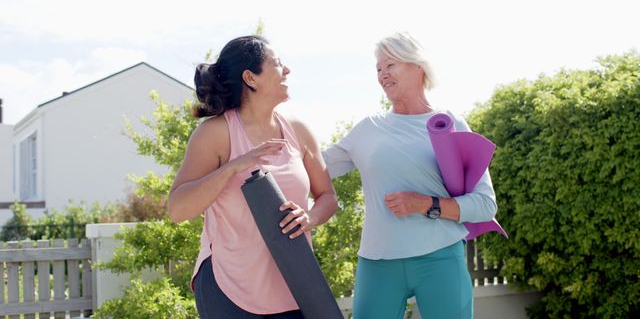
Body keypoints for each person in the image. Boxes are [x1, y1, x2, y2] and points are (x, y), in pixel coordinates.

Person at [323, 31, 497, 319]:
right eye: (378, 69)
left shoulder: (450, 124)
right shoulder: (368, 129)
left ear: (418, 66)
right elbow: (313, 167)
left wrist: (424, 204)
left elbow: (485, 205)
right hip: (378, 262)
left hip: (440, 257)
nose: (382, 74)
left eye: (390, 65)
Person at [168, 35, 338, 319]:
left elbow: (328, 197)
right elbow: (177, 209)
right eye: (278, 64)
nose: (287, 71)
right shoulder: (215, 133)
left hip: (294, 285)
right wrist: (234, 166)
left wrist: (311, 218)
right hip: (228, 287)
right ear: (251, 78)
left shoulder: (299, 130)